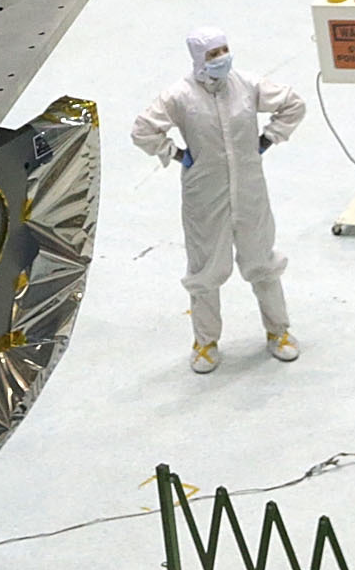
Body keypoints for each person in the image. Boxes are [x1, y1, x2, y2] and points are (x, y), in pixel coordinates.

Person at [131, 27, 306, 373]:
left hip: (250, 188)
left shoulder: (248, 85)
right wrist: (175, 153)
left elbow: (293, 104)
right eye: (213, 54)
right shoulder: (180, 96)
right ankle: (205, 342)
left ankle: (279, 331)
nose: (222, 58)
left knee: (262, 259)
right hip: (205, 192)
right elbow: (143, 130)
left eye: (224, 49)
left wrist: (268, 138)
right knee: (206, 269)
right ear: (199, 58)